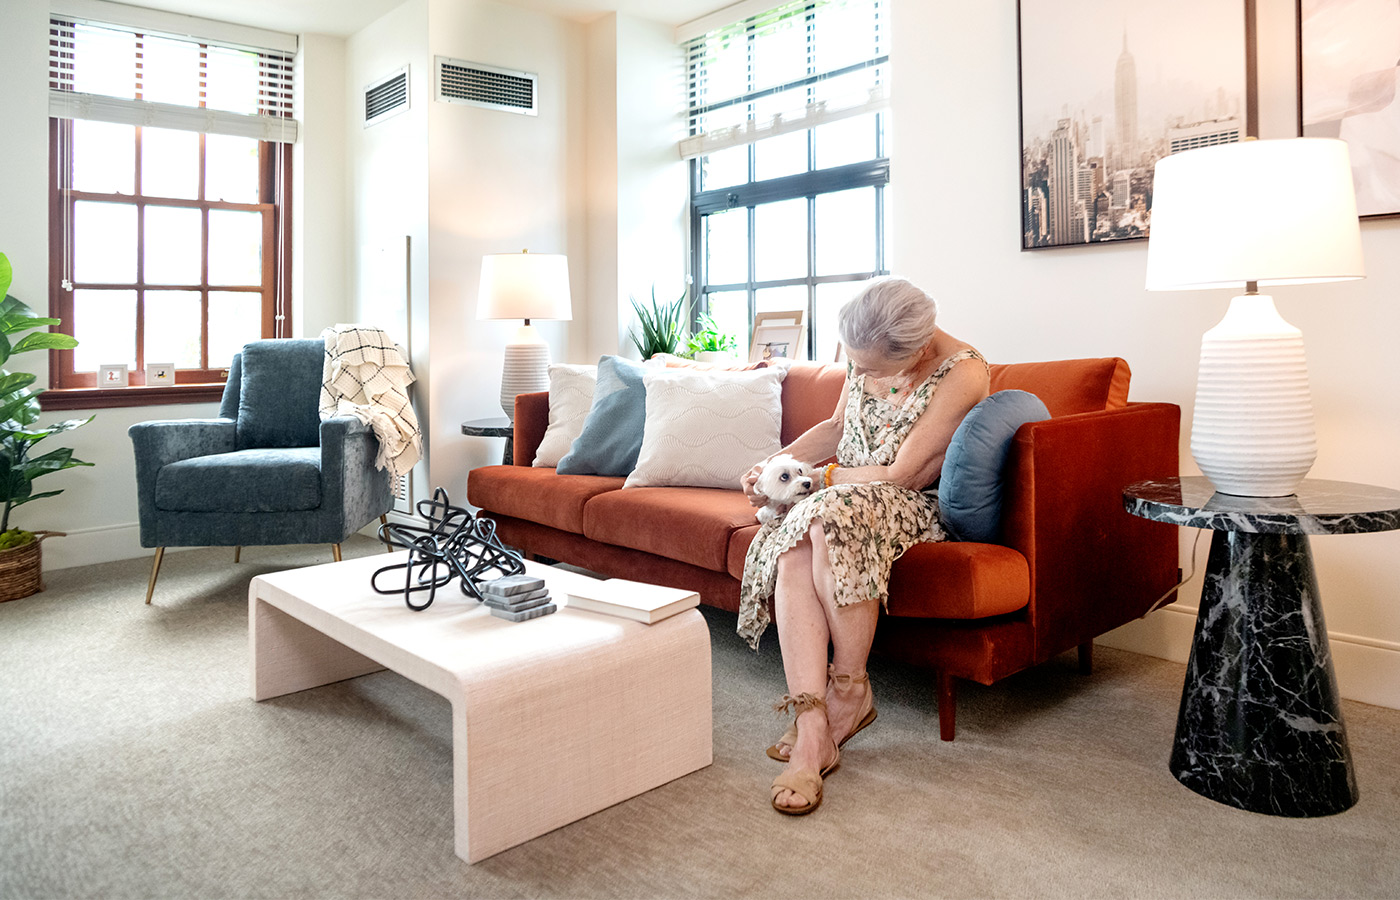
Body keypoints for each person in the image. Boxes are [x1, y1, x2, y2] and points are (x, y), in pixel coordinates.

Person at [738, 277, 989, 815]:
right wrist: (777, 465)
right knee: (800, 537)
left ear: (917, 350)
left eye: (871, 368)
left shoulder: (963, 371)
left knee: (823, 515)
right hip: (839, 494)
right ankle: (813, 726)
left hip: (906, 504)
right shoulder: (867, 352)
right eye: (857, 363)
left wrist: (816, 480)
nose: (862, 373)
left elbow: (901, 475)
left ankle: (849, 693)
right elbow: (835, 426)